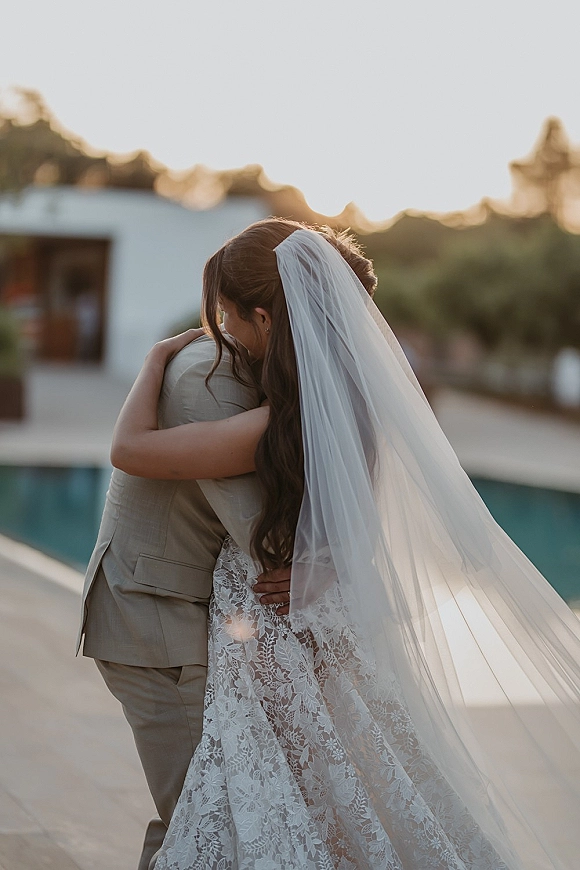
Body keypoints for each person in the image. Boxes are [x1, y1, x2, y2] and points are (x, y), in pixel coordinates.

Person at [112, 219, 580, 869]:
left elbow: (129, 451)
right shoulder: (347, 408)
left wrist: (153, 361)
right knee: (343, 793)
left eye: (227, 316)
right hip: (320, 623)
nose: (223, 332)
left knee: (263, 814)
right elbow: (357, 520)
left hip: (270, 633)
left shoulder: (271, 421)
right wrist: (335, 564)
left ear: (263, 318)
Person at [76, 316, 291, 870]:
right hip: (153, 616)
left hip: (182, 613)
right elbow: (261, 539)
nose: (215, 319)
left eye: (224, 303)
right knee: (203, 820)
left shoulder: (255, 378)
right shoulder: (212, 381)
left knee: (205, 816)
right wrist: (320, 563)